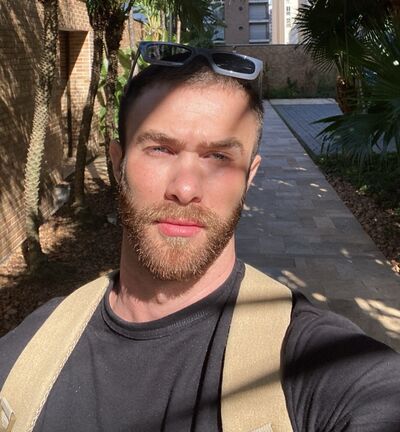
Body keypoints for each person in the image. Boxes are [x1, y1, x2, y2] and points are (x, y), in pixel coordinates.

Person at [1, 42, 400, 432]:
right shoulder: (25, 355)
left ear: (250, 176)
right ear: (118, 162)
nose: (186, 189)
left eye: (219, 157)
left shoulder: (318, 360)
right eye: (160, 149)